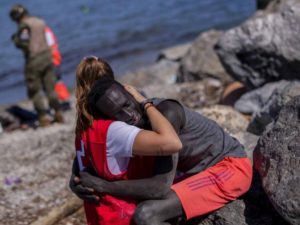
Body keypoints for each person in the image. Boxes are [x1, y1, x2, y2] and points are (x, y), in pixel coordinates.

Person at [70, 57, 253, 224]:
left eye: (127, 105)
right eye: (118, 114)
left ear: (133, 94)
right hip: (196, 172)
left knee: (146, 214)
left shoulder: (166, 113)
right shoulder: (124, 123)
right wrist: (77, 180)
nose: (129, 116)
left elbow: (160, 187)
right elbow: (86, 155)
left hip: (228, 167)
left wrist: (104, 186)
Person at [73, 56, 182, 225]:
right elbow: (170, 143)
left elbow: (81, 167)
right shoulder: (113, 130)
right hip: (124, 215)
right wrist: (146, 104)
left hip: (100, 216)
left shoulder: (83, 129)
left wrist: (74, 181)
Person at [9, 4, 64, 126]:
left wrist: (15, 40)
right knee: (50, 87)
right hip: (48, 57)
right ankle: (58, 112)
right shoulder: (39, 21)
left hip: (34, 60)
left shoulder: (24, 26)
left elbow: (24, 43)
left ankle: (43, 117)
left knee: (34, 90)